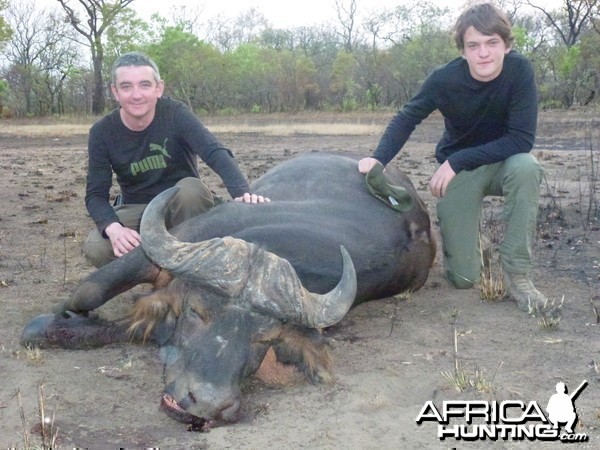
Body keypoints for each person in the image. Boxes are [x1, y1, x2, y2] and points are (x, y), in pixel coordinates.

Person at [358, 3, 548, 315]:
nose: (483, 53)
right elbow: (407, 118)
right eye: (474, 45)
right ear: (463, 50)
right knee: (462, 279)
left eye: (492, 43)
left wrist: (456, 160)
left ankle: (518, 275)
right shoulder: (443, 79)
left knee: (528, 166)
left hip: (504, 163)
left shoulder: (520, 71)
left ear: (507, 45)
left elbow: (521, 140)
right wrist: (378, 159)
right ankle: (476, 244)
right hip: (462, 174)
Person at [83, 51, 268, 268]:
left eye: (144, 85)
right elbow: (95, 194)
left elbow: (215, 152)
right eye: (126, 87)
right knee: (96, 247)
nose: (136, 94)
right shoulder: (102, 132)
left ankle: (189, 267)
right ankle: (164, 267)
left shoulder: (175, 114)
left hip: (186, 208)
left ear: (158, 88)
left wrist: (243, 194)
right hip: (140, 210)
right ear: (115, 91)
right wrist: (114, 229)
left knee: (190, 190)